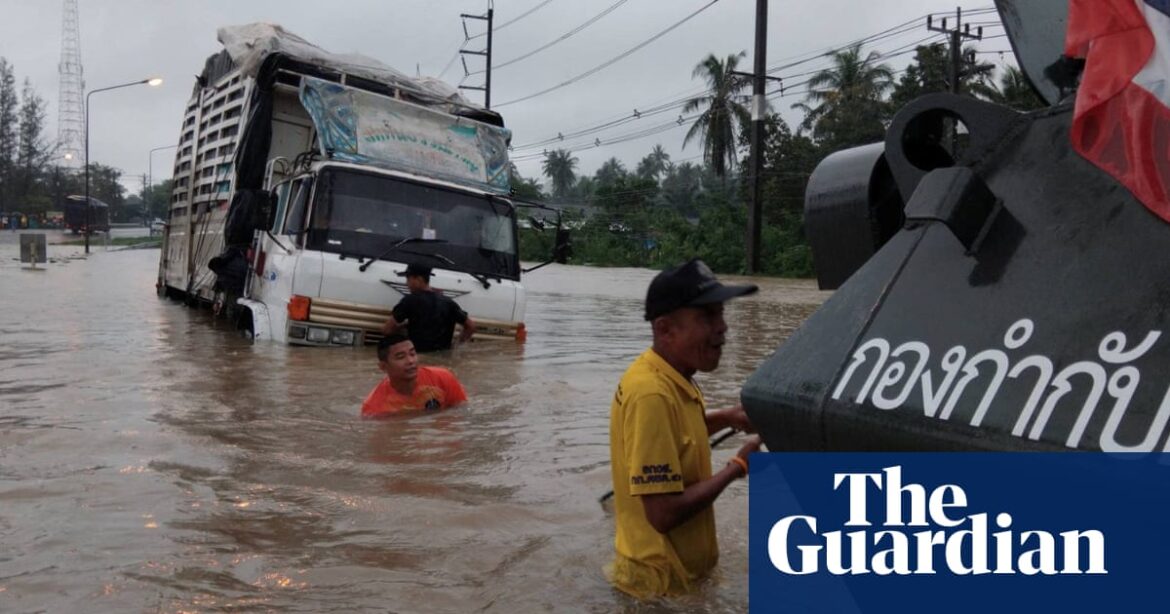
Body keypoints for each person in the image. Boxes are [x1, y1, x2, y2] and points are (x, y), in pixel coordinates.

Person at [605, 258, 763, 599]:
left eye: (721, 314)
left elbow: (674, 437)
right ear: (665, 329)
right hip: (658, 588)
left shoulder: (672, 377)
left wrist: (726, 418)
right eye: (708, 316)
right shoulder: (651, 394)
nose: (723, 328)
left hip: (679, 581)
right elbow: (662, 513)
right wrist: (738, 467)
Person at [361, 333, 468, 417]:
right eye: (400, 357)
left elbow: (461, 412)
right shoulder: (374, 408)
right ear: (383, 367)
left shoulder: (443, 378)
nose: (410, 361)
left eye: (412, 354)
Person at [381, 264, 476, 352]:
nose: (407, 284)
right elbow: (471, 326)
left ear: (418, 279)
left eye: (408, 279)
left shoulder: (409, 301)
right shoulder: (448, 303)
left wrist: (403, 327)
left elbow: (387, 330)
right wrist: (456, 346)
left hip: (418, 356)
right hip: (442, 360)